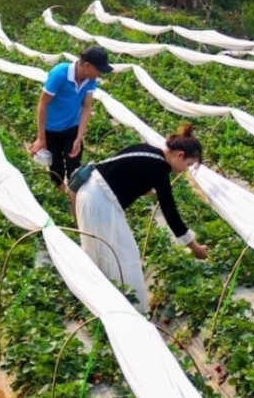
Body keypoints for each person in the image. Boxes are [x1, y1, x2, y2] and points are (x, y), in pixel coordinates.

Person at [68, 124, 209, 312]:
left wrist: (142, 188)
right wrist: (195, 247)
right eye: (188, 165)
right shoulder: (159, 168)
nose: (185, 170)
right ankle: (128, 311)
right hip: (100, 202)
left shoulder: (146, 150)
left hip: (89, 192)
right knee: (124, 256)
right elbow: (171, 213)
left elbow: (121, 172)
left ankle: (102, 303)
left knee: (101, 251)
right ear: (180, 155)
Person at [30, 46, 113, 190]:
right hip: (51, 129)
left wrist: (79, 137)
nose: (99, 74)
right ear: (87, 66)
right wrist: (41, 137)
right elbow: (43, 103)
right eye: (98, 70)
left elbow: (87, 106)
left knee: (74, 164)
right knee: (56, 167)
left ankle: (74, 195)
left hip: (71, 127)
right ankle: (60, 194)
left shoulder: (89, 79)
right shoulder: (59, 74)